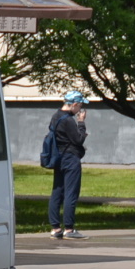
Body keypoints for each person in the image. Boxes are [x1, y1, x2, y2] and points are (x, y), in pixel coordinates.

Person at [48, 90, 89, 240]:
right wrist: (82, 123)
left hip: (58, 157)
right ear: (75, 104)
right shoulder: (68, 120)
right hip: (70, 159)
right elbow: (78, 139)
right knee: (71, 193)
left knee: (57, 192)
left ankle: (55, 228)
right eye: (80, 106)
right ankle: (69, 229)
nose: (80, 110)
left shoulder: (55, 116)